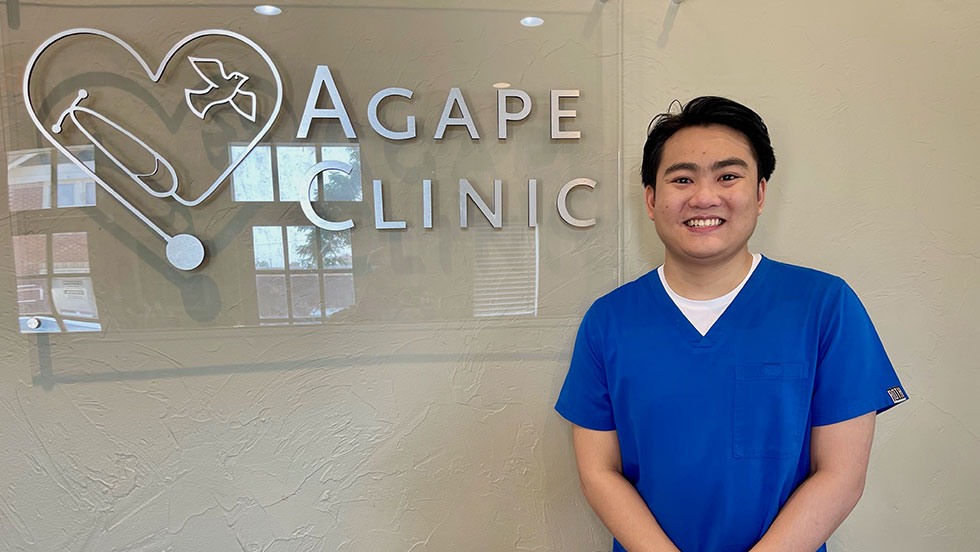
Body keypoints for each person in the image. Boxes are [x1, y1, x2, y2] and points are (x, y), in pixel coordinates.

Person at [555, 96, 907, 552]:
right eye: (682, 179)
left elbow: (840, 475)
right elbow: (599, 471)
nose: (704, 197)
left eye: (728, 176)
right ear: (650, 198)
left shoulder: (824, 306)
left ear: (760, 193)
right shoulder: (609, 321)